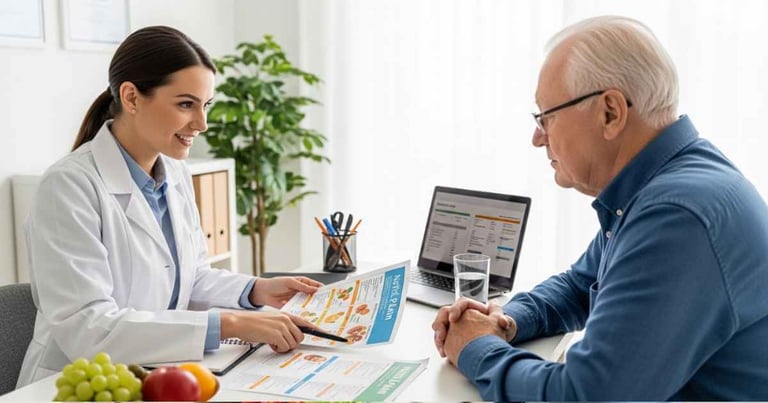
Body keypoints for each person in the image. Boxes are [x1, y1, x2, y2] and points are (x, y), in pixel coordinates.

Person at [432, 15, 768, 401]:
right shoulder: (663, 185)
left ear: (610, 112)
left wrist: (474, 348)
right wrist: (504, 321)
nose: (537, 138)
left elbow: (587, 395)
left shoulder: (678, 216)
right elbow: (580, 285)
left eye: (546, 116)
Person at [17, 26, 323, 387]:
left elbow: (188, 278)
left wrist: (256, 290)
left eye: (205, 105)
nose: (202, 124)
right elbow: (88, 327)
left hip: (154, 371)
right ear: (131, 97)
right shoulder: (68, 186)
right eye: (185, 104)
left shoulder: (174, 172)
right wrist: (231, 324)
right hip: (75, 384)